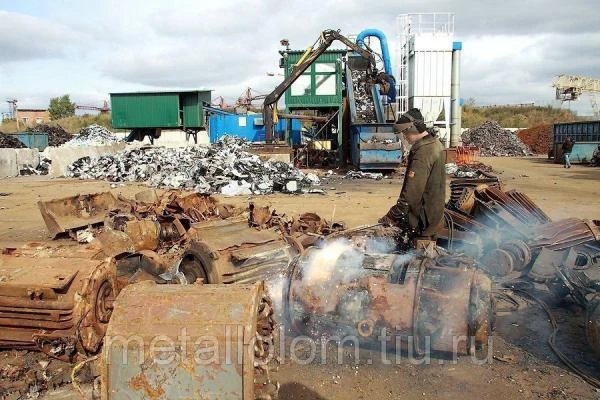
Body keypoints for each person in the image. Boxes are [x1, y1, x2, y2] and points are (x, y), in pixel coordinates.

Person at [379, 108, 446, 243]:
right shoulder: (435, 144)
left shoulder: (423, 152)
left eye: (405, 132)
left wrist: (393, 215)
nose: (404, 136)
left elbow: (411, 193)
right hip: (434, 216)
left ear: (413, 128)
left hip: (423, 221)